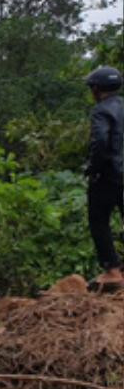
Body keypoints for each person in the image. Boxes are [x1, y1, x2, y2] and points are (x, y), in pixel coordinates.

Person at [85, 66, 124, 291]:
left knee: (99, 219)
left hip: (110, 175)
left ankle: (112, 270)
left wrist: (94, 168)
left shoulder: (101, 111)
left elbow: (100, 141)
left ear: (97, 89)